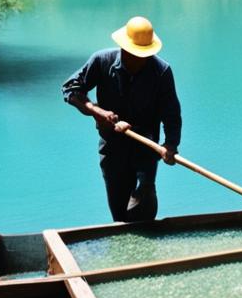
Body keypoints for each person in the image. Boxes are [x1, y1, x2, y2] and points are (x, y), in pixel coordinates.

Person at [62, 16, 182, 222]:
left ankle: (146, 245)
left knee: (144, 204)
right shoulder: (102, 61)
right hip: (112, 147)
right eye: (135, 54)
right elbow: (70, 89)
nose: (139, 60)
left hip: (146, 147)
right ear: (124, 48)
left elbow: (171, 113)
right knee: (119, 211)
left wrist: (170, 145)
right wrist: (95, 110)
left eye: (144, 55)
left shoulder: (161, 71)